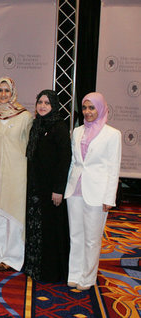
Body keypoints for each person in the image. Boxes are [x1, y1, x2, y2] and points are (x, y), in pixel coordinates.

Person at [64, 92, 121, 290]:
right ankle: (74, 273)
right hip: (75, 190)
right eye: (85, 108)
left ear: (101, 108)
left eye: (92, 108)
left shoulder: (112, 134)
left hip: (97, 193)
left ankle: (87, 278)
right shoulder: (77, 131)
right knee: (76, 235)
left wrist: (109, 197)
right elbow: (73, 162)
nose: (88, 112)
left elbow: (114, 168)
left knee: (92, 239)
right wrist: (67, 189)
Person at [23, 90, 71, 282]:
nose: (42, 106)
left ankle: (51, 272)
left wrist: (58, 189)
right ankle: (34, 267)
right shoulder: (36, 125)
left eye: (47, 103)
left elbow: (64, 161)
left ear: (54, 106)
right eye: (40, 102)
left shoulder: (59, 127)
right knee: (35, 228)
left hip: (52, 190)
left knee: (51, 231)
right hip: (36, 188)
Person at [0, 77, 33, 271]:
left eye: (7, 90)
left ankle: (13, 258)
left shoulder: (25, 116)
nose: (3, 94)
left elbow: (31, 148)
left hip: (17, 173)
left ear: (13, 92)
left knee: (14, 215)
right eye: (0, 91)